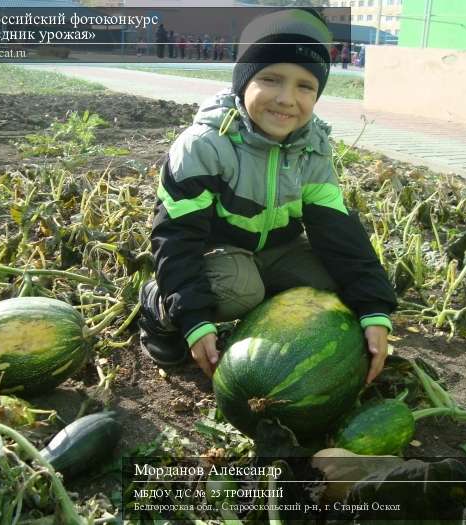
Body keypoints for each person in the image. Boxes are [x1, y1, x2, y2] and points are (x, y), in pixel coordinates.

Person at [138, 9, 397, 382]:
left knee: (336, 288)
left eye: (304, 86)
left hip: (278, 250)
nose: (286, 98)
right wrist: (193, 316)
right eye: (271, 79)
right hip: (216, 252)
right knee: (240, 291)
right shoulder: (205, 145)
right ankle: (156, 303)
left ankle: (265, 317)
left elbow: (339, 233)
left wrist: (374, 308)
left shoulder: (312, 150)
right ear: (244, 81)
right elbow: (177, 236)